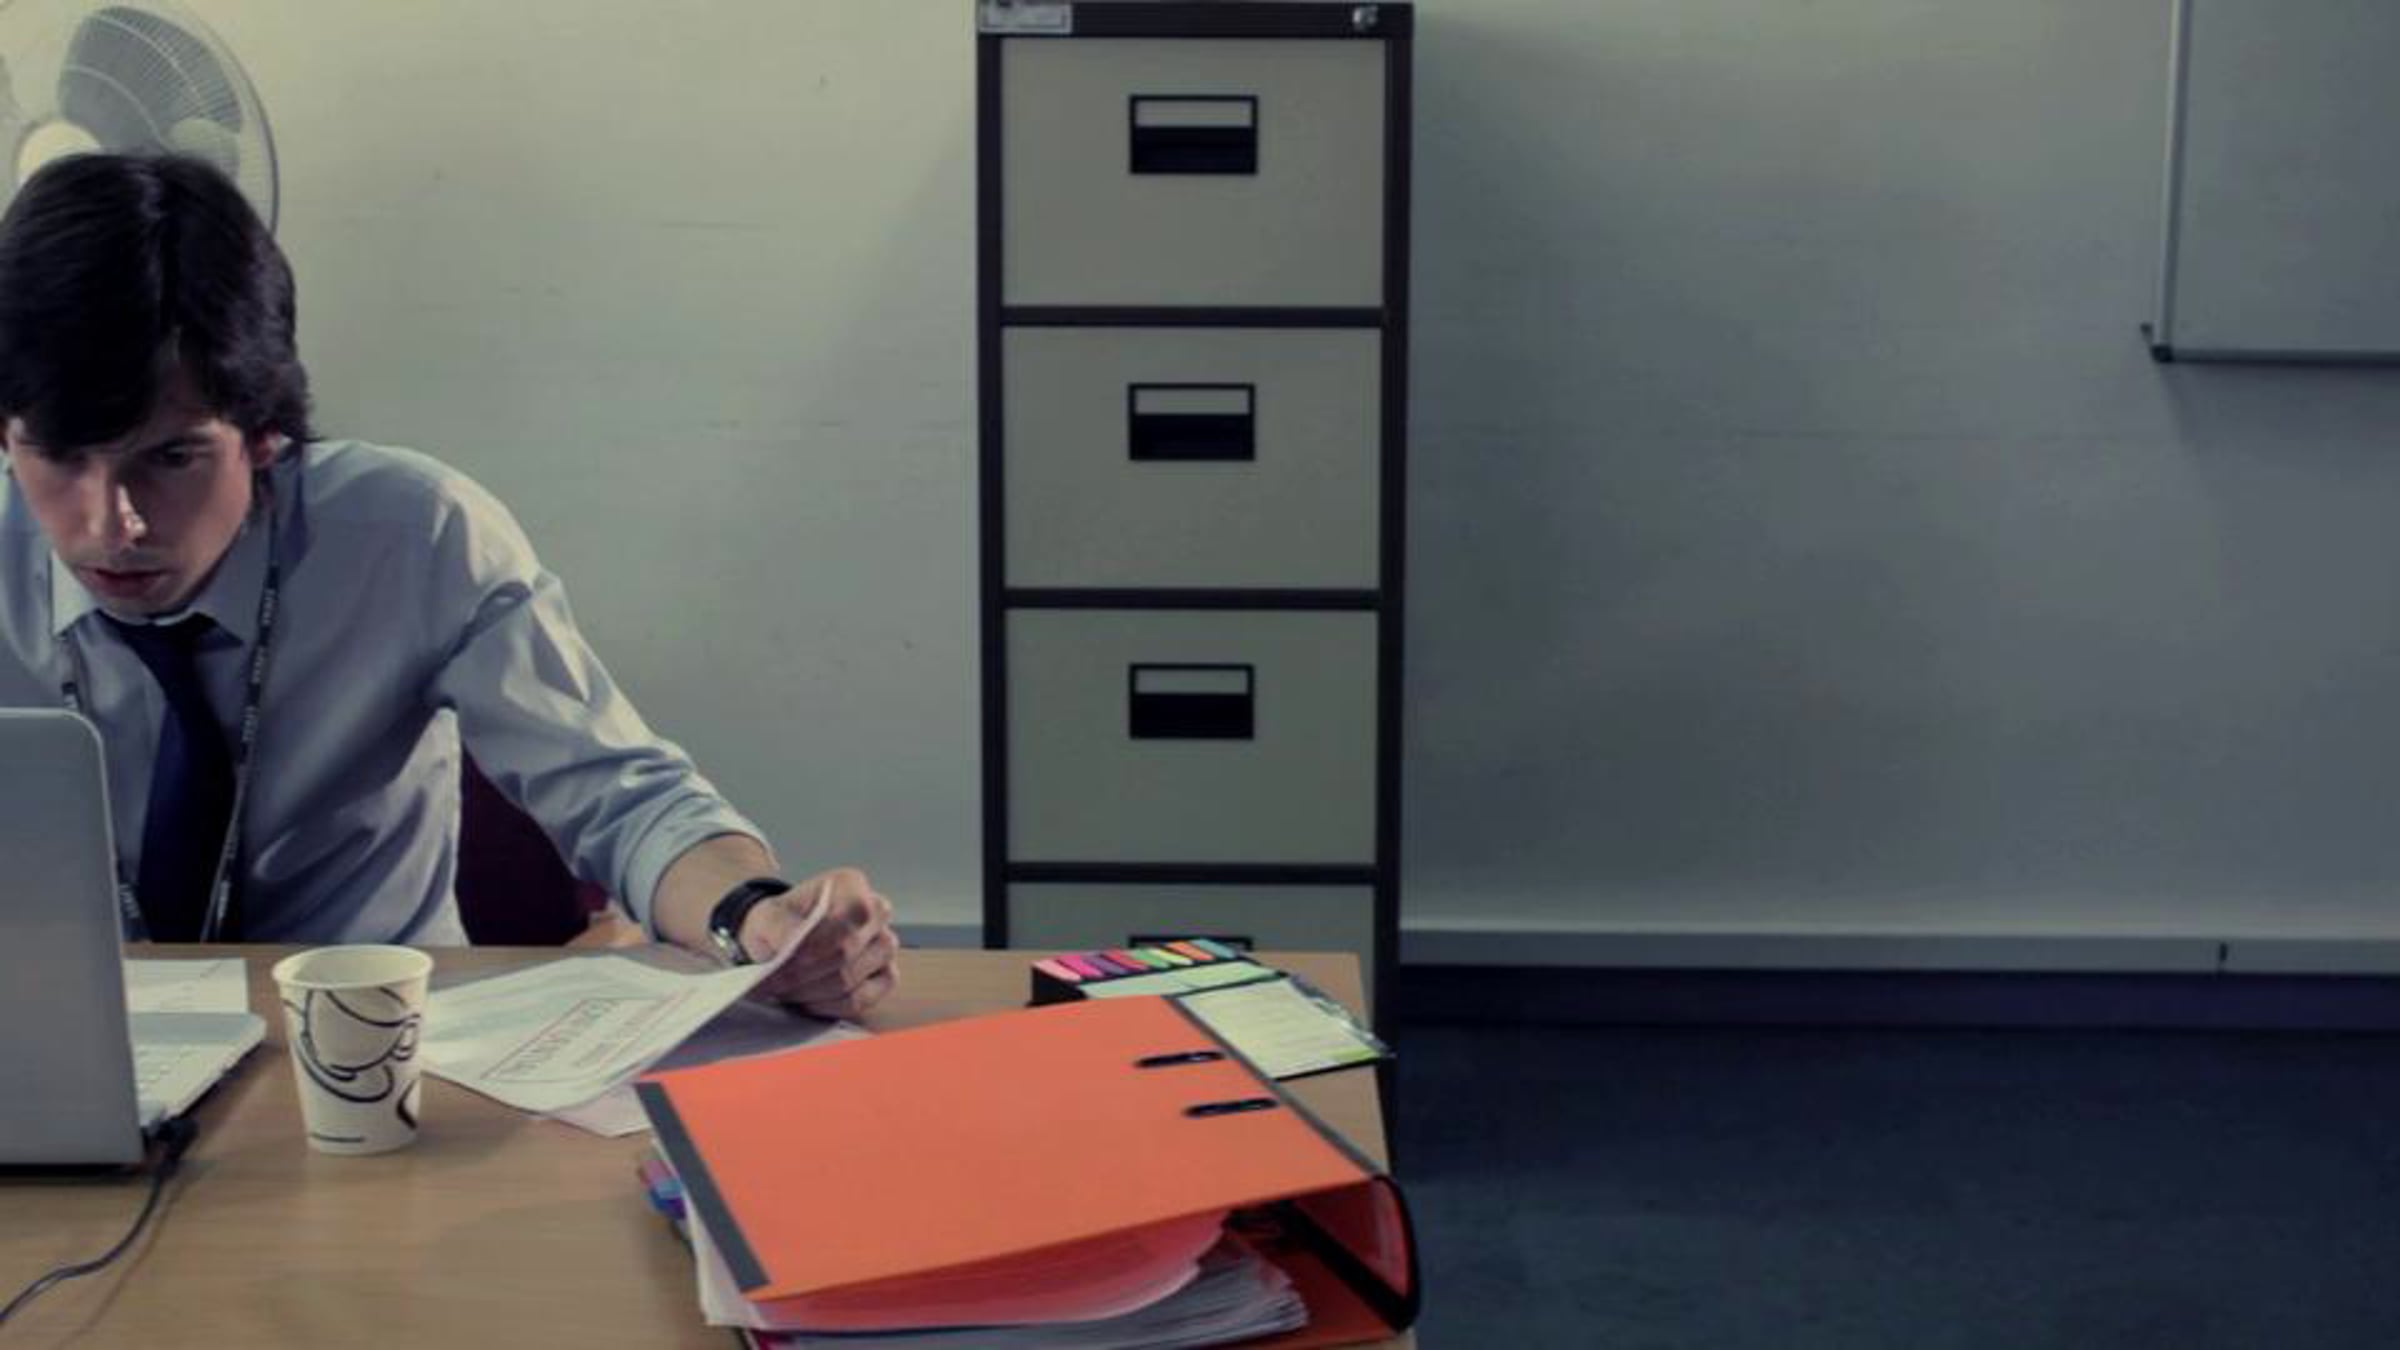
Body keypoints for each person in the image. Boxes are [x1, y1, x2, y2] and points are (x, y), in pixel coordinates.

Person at [0, 153, 898, 1018]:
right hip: (62, 1038)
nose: (112, 524)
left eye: (171, 458)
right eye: (60, 456)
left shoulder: (414, 534)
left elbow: (620, 793)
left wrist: (753, 918)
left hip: (386, 1045)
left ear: (265, 432)